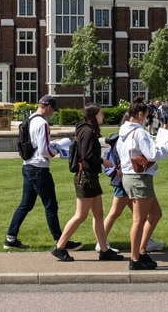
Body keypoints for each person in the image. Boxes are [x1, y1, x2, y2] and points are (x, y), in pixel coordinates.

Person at [4, 95, 81, 252]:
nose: (52, 113)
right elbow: (45, 150)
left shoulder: (30, 118)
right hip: (39, 168)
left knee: (26, 204)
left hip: (28, 165)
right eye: (52, 110)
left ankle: (10, 238)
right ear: (48, 107)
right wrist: (58, 148)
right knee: (50, 205)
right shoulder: (43, 124)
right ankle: (60, 241)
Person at [51, 104, 124, 262]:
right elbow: (87, 156)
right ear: (94, 115)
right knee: (80, 215)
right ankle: (60, 246)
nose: (102, 116)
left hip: (89, 177)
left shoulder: (84, 129)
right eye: (100, 114)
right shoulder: (88, 131)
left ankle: (104, 250)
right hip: (86, 177)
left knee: (98, 214)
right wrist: (104, 161)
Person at [117, 96, 168, 270]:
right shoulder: (139, 132)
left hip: (130, 176)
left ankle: (141, 251)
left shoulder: (123, 132)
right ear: (140, 115)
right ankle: (135, 258)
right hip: (139, 177)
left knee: (155, 213)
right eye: (147, 116)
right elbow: (151, 155)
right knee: (138, 220)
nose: (148, 119)